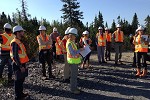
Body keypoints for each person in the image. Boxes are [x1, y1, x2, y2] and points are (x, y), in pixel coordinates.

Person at [10, 25, 29, 100]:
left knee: (21, 80)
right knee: (18, 81)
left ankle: (21, 94)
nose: (23, 33)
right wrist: (20, 66)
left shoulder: (19, 41)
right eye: (22, 31)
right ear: (18, 33)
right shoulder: (15, 42)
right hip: (18, 64)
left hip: (22, 63)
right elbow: (15, 56)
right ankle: (17, 97)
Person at [66, 28, 84, 94]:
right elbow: (73, 53)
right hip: (72, 62)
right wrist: (80, 50)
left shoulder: (72, 42)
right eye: (75, 35)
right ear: (71, 35)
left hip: (74, 62)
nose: (75, 37)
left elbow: (74, 52)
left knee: (75, 75)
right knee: (73, 76)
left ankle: (75, 87)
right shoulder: (69, 43)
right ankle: (73, 89)